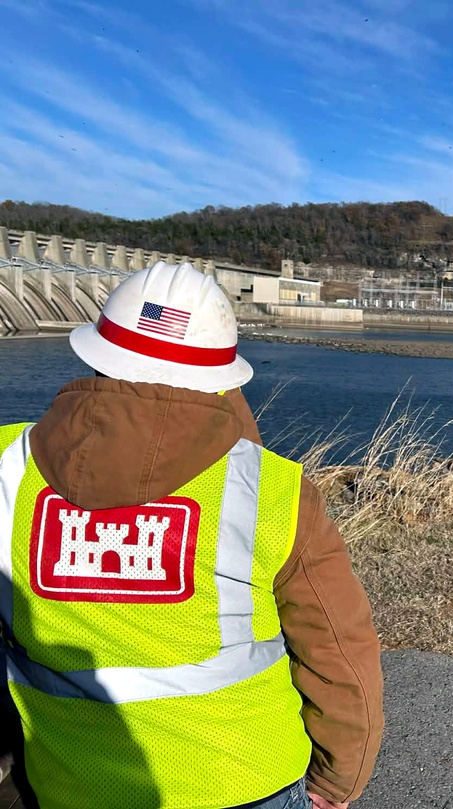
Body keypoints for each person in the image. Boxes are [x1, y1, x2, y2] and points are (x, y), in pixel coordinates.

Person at [0, 262, 384, 809]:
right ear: (225, 379)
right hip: (248, 783)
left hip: (70, 785)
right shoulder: (272, 491)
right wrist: (336, 778)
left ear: (94, 353)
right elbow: (340, 652)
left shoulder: (8, 469)